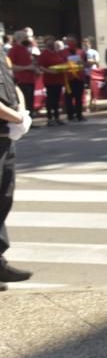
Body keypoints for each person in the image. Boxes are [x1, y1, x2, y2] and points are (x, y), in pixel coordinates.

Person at [0, 46, 33, 290]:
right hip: (6, 128)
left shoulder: (2, 52)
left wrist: (21, 111)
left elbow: (14, 85)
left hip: (6, 136)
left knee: (4, 198)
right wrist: (17, 119)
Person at [38, 37, 66, 126]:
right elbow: (41, 67)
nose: (52, 45)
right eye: (50, 43)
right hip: (49, 80)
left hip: (59, 79)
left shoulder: (57, 53)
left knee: (57, 99)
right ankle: (50, 118)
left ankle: (57, 117)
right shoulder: (44, 54)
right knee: (50, 100)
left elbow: (63, 62)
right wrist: (51, 71)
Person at [8, 31, 37, 119]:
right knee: (25, 102)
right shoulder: (13, 50)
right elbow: (11, 66)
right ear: (19, 38)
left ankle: (31, 120)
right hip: (21, 80)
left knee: (30, 101)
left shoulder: (26, 49)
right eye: (25, 37)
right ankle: (25, 120)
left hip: (30, 79)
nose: (27, 39)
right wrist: (27, 67)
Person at [62, 37, 86, 122]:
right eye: (70, 41)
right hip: (68, 78)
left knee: (79, 97)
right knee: (69, 97)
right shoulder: (63, 52)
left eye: (73, 41)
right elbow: (61, 63)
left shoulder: (81, 52)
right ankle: (70, 116)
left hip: (79, 77)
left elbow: (85, 64)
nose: (71, 43)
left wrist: (82, 63)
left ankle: (79, 115)